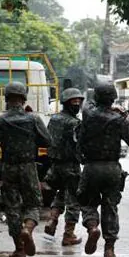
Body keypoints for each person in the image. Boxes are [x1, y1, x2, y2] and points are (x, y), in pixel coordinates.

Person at [0, 82, 52, 257]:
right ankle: (27, 229)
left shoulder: (1, 121)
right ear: (23, 98)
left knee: (12, 208)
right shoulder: (33, 119)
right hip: (29, 167)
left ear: (7, 98)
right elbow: (47, 140)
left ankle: (19, 249)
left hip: (9, 168)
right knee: (34, 204)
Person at [76, 83, 129, 257]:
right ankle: (109, 248)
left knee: (88, 202)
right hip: (112, 168)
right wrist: (123, 117)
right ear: (113, 98)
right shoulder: (118, 120)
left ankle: (93, 227)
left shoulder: (88, 114)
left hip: (91, 167)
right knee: (110, 207)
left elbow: (88, 105)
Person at [44, 88, 85, 246]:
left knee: (60, 195)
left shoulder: (54, 119)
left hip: (55, 166)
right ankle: (68, 234)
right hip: (71, 166)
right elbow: (80, 144)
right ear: (67, 103)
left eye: (78, 101)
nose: (77, 104)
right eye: (73, 102)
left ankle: (52, 220)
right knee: (73, 200)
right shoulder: (75, 123)